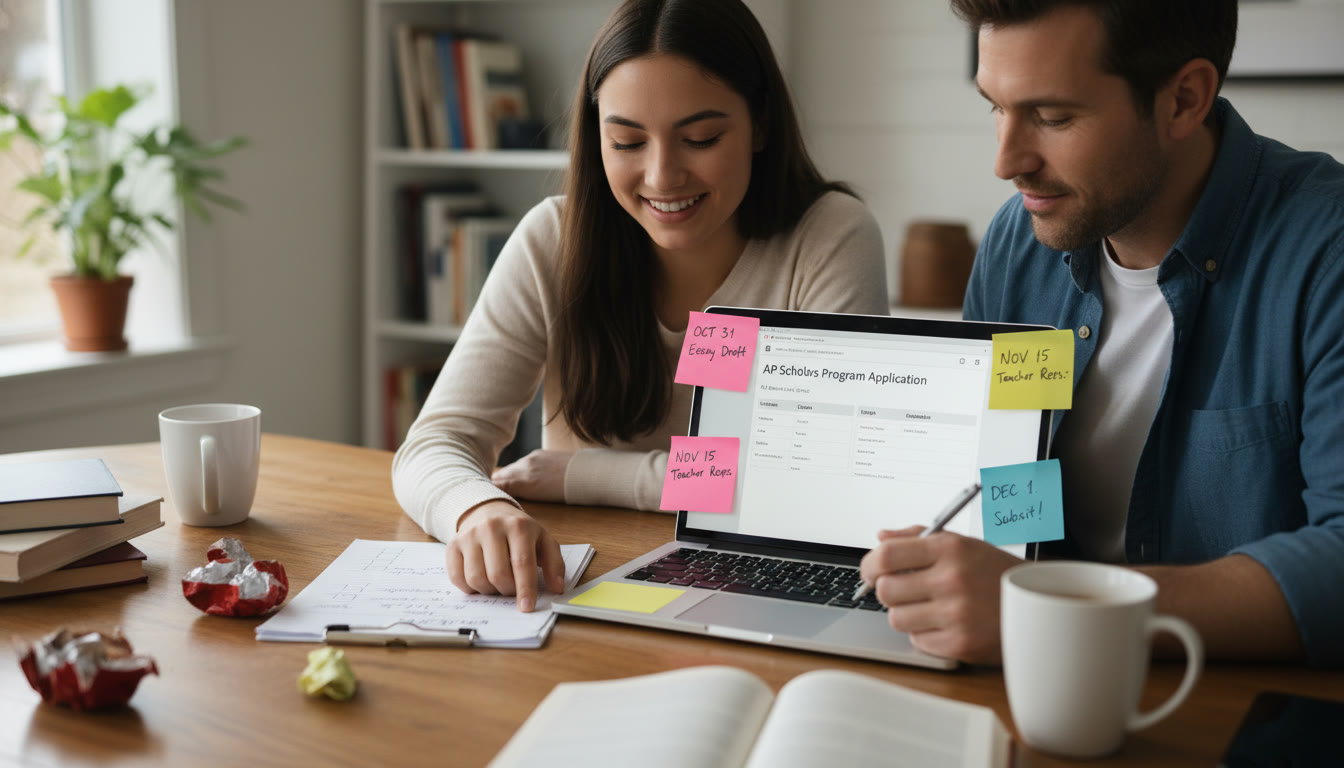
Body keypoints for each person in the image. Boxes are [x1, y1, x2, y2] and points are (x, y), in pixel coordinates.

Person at [860, 0, 1344, 667]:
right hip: (1037, 683)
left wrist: (1054, 608)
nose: (1006, 161)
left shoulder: (1326, 253)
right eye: (995, 107)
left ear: (1184, 99)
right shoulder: (1016, 246)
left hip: (1248, 719)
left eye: (1052, 117)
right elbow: (1005, 488)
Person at [394, 0, 888, 612]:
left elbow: (814, 479)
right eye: (627, 141)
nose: (662, 176)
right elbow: (434, 444)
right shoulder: (553, 239)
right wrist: (478, 508)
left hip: (750, 589)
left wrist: (584, 474)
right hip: (580, 585)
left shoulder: (829, 236)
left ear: (760, 124)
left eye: (701, 138)